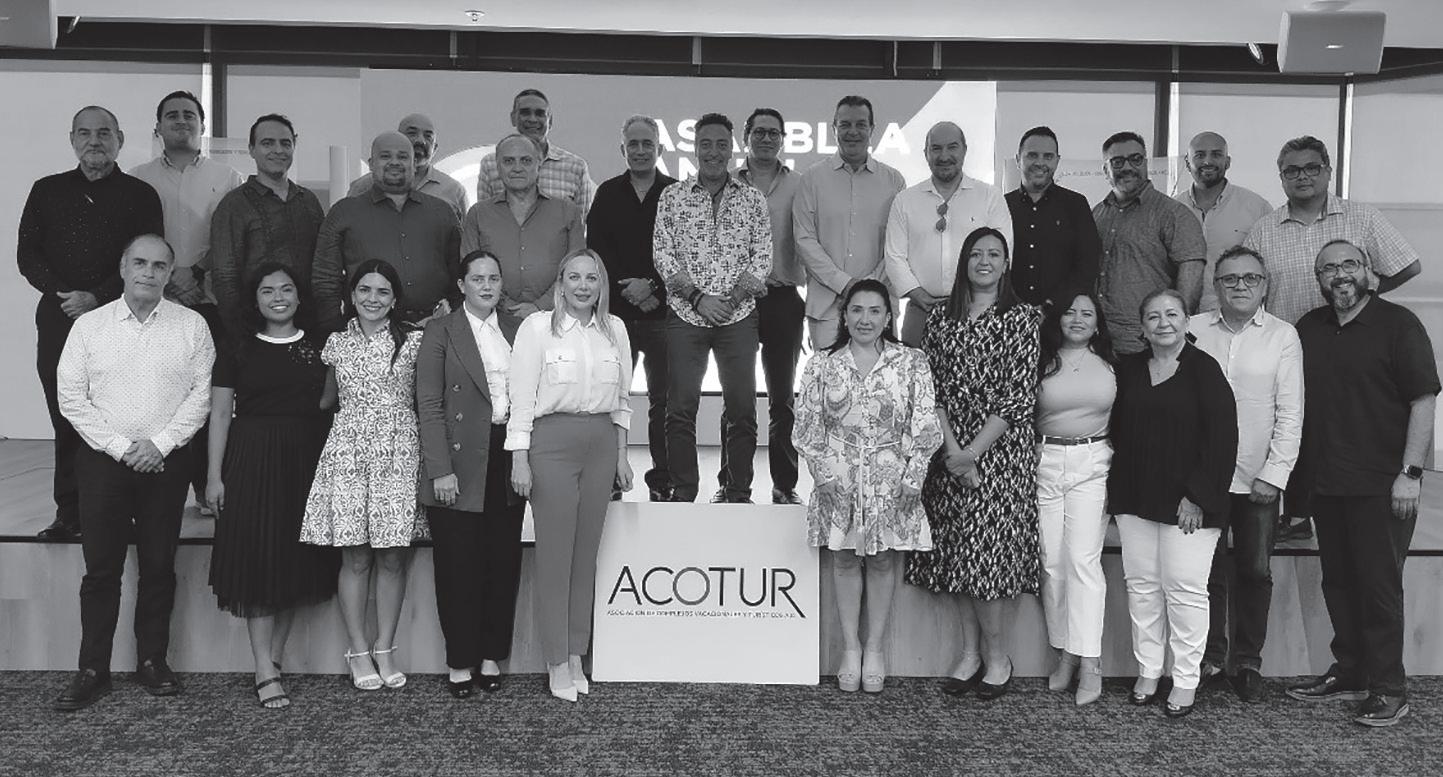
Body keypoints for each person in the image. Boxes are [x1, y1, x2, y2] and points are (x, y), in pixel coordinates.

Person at [53, 234, 215, 711]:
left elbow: (201, 397)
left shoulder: (192, 326)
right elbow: (71, 399)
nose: (149, 272)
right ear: (123, 268)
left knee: (159, 567)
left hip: (166, 463)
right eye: (140, 263)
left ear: (169, 273)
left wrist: (159, 445)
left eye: (159, 265)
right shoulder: (89, 326)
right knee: (100, 571)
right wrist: (124, 449)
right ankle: (92, 670)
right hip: (104, 463)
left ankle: (152, 661)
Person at [1286, 240, 1438, 728]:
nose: (1340, 274)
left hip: (1384, 484)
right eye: (1328, 268)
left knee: (1378, 587)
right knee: (1338, 582)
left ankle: (1390, 688)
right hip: (1326, 482)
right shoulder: (1309, 328)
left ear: (1368, 271)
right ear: (1319, 279)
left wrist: (1411, 473)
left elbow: (1423, 401)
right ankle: (1351, 671)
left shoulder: (1399, 325)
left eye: (1349, 264)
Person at [1243, 135, 1422, 542]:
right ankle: (1296, 513)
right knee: (1294, 425)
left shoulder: (1362, 218)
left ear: (1327, 171)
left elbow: (1408, 265)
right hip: (1291, 346)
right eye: (1292, 170)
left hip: (1353, 339)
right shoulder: (1265, 229)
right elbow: (1251, 284)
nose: (1302, 176)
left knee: (1346, 424)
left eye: (1311, 167)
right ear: (1281, 177)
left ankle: (1351, 507)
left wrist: (1361, 295)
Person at [904, 227, 1042, 702]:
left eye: (994, 254)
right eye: (976, 253)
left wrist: (972, 454)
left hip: (1000, 451)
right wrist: (954, 453)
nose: (985, 261)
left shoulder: (1022, 318)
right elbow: (932, 390)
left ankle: (999, 657)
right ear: (964, 261)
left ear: (1006, 263)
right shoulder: (941, 317)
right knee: (959, 556)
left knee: (991, 559)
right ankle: (969, 654)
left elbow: (1018, 396)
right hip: (949, 449)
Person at [18, 105, 163, 541]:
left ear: (120, 139)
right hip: (60, 317)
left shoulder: (140, 195)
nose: (94, 141)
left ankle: (122, 512)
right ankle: (70, 513)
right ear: (72, 140)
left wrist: (96, 297)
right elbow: (28, 254)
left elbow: (148, 256)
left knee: (123, 417)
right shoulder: (47, 190)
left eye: (103, 133)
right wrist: (67, 296)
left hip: (123, 318)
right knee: (67, 415)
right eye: (84, 133)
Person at [793, 279, 943, 694]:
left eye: (875, 311)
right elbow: (806, 425)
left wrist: (914, 475)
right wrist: (822, 473)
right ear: (844, 316)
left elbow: (925, 422)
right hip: (838, 476)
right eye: (856, 310)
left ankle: (875, 648)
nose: (865, 319)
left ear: (889, 316)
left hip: (891, 476)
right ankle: (850, 648)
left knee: (882, 560)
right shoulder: (821, 364)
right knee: (843, 558)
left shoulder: (911, 362)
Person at [205, 262, 340, 708]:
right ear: (256, 299)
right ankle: (263, 667)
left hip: (305, 461)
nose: (278, 297)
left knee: (292, 563)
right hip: (252, 460)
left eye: (286, 289)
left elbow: (330, 403)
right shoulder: (237, 347)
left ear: (299, 297)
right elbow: (220, 414)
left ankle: (274, 659)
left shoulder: (321, 348)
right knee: (259, 562)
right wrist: (213, 476)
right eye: (267, 290)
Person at [507, 250, 634, 702]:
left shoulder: (615, 329)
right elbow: (521, 397)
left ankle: (577, 652)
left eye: (592, 278)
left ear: (602, 284)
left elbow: (622, 401)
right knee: (555, 556)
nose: (583, 286)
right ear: (560, 283)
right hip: (551, 446)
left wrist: (622, 456)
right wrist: (520, 458)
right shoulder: (537, 328)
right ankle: (556, 659)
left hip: (601, 445)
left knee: (586, 557)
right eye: (574, 277)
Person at [1108, 288, 1238, 718]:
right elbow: (1118, 431)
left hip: (1190, 503)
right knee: (1142, 587)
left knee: (1184, 590)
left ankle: (1184, 679)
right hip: (1135, 496)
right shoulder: (1128, 369)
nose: (1162, 323)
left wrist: (1197, 496)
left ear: (1186, 321)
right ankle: (1148, 670)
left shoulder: (1205, 370)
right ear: (1142, 327)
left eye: (1171, 314)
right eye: (1153, 316)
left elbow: (1222, 440)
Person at [299, 260, 426, 692]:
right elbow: (326, 400)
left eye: (383, 291)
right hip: (349, 451)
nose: (373, 298)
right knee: (354, 556)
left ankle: (385, 647)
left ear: (395, 298)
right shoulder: (335, 343)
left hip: (399, 451)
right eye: (365, 290)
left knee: (392, 556)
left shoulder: (413, 341)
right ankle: (357, 650)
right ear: (352, 296)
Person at [1187, 246, 1302, 701]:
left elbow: (1291, 412)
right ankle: (1211, 658)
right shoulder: (1193, 330)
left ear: (1264, 285)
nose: (1240, 286)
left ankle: (1249, 661)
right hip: (1205, 479)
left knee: (1255, 571)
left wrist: (1275, 473)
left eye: (1250, 278)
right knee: (1206, 572)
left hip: (1258, 476)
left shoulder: (1283, 336)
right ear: (1215, 286)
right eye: (1230, 278)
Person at [416, 250, 526, 699]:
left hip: (506, 452)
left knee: (502, 561)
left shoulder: (519, 329)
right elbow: (429, 404)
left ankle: (491, 655)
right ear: (461, 285)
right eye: (477, 278)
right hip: (457, 460)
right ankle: (460, 659)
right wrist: (440, 469)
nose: (486, 286)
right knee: (457, 566)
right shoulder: (440, 330)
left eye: (493, 278)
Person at [130, 90, 243, 516]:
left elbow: (230, 238)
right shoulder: (137, 178)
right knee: (159, 396)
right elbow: (132, 239)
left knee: (206, 397)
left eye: (190, 115)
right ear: (158, 127)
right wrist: (169, 279)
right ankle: (156, 490)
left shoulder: (228, 177)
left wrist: (193, 273)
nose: (182, 121)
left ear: (202, 125)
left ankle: (205, 486)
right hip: (154, 304)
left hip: (208, 299)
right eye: (172, 115)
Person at [653, 112, 772, 504]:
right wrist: (699, 299)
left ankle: (736, 490)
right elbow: (663, 254)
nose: (714, 152)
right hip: (686, 315)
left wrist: (731, 301)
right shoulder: (672, 197)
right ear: (694, 147)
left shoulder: (752, 199)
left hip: (738, 317)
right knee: (679, 408)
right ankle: (684, 489)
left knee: (742, 409)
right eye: (706, 144)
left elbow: (762, 257)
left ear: (732, 148)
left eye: (722, 144)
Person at [587, 115, 677, 501]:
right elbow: (597, 252)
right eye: (633, 144)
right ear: (622, 149)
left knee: (665, 403)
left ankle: (663, 481)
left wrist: (653, 287)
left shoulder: (676, 193)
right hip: (616, 318)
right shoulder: (607, 193)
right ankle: (611, 477)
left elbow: (684, 251)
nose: (640, 151)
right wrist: (632, 291)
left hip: (665, 315)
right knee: (611, 399)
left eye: (647, 144)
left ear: (660, 148)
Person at [1035, 290, 1117, 706]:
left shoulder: (1112, 364)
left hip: (1093, 462)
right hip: (1045, 461)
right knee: (1052, 562)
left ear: (1098, 323)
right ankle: (1065, 651)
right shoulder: (1039, 360)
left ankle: (1090, 662)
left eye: (1087, 313)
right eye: (1070, 311)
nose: (1078, 319)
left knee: (1083, 561)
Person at [731, 107, 806, 505]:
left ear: (782, 139)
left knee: (782, 399)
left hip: (782, 298)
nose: (766, 138)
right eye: (758, 131)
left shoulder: (800, 185)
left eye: (773, 132)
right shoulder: (728, 182)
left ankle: (784, 484)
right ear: (746, 136)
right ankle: (733, 484)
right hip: (737, 300)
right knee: (738, 398)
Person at [312, 131, 461, 331]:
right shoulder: (344, 212)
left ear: (414, 164)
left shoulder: (442, 212)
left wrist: (454, 321)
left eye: (403, 156)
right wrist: (336, 331)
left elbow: (460, 275)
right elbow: (325, 279)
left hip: (434, 330)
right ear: (371, 164)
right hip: (367, 332)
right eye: (385, 156)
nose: (394, 162)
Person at [886, 121, 1012, 345]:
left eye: (952, 147)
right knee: (914, 368)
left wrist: (976, 297)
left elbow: (1003, 252)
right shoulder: (905, 200)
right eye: (936, 148)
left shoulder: (989, 197)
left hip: (977, 310)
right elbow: (894, 256)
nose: (944, 156)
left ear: (964, 150)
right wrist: (917, 293)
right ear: (925, 153)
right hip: (921, 311)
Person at [795, 96, 905, 350]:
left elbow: (898, 244)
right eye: (845, 125)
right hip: (826, 308)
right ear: (833, 129)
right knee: (829, 374)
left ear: (872, 129)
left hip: (879, 306)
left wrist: (867, 288)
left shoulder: (894, 181)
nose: (852, 132)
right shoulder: (811, 179)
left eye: (860, 125)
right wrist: (844, 283)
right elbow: (804, 240)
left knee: (880, 375)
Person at [210, 114, 326, 343]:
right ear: (251, 149)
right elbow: (224, 277)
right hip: (255, 329)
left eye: (285, 143)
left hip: (309, 325)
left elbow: (323, 265)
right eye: (267, 143)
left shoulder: (308, 200)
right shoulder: (234, 205)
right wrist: (240, 333)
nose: (278, 150)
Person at [1092, 131, 1206, 355]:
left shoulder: (1173, 214)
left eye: (1135, 159)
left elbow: (1191, 276)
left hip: (1146, 345)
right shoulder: (1097, 214)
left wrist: (1172, 335)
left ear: (1145, 163)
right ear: (1105, 170)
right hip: (1099, 343)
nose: (1127, 167)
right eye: (1117, 162)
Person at [462, 134, 585, 319]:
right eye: (508, 161)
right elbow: (470, 270)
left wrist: (540, 307)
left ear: (539, 164)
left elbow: (577, 270)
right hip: (493, 320)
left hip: (556, 319)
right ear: (497, 166)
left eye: (526, 161)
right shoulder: (478, 214)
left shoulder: (568, 212)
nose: (517, 168)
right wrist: (507, 306)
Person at [1173, 132, 1272, 313]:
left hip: (1237, 319)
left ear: (1227, 162)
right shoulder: (1172, 210)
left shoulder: (1257, 208)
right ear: (1187, 163)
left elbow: (1267, 273)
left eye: (1216, 155)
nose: (1207, 161)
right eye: (1199, 155)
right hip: (1181, 318)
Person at [1004, 126, 1101, 306]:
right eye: (1032, 155)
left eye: (1048, 157)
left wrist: (1054, 306)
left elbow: (1088, 265)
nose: (1040, 163)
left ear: (1057, 161)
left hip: (1060, 315)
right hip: (1008, 314)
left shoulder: (1076, 205)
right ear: (1018, 160)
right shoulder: (1002, 205)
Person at [476, 89, 594, 211]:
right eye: (525, 113)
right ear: (513, 118)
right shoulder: (491, 164)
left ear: (550, 121)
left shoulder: (576, 167)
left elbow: (581, 220)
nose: (532, 119)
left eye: (540, 114)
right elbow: (484, 217)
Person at [348, 113, 468, 220]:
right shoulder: (364, 186)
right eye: (412, 133)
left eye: (428, 136)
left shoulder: (454, 191)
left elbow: (464, 236)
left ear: (435, 148)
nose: (421, 141)